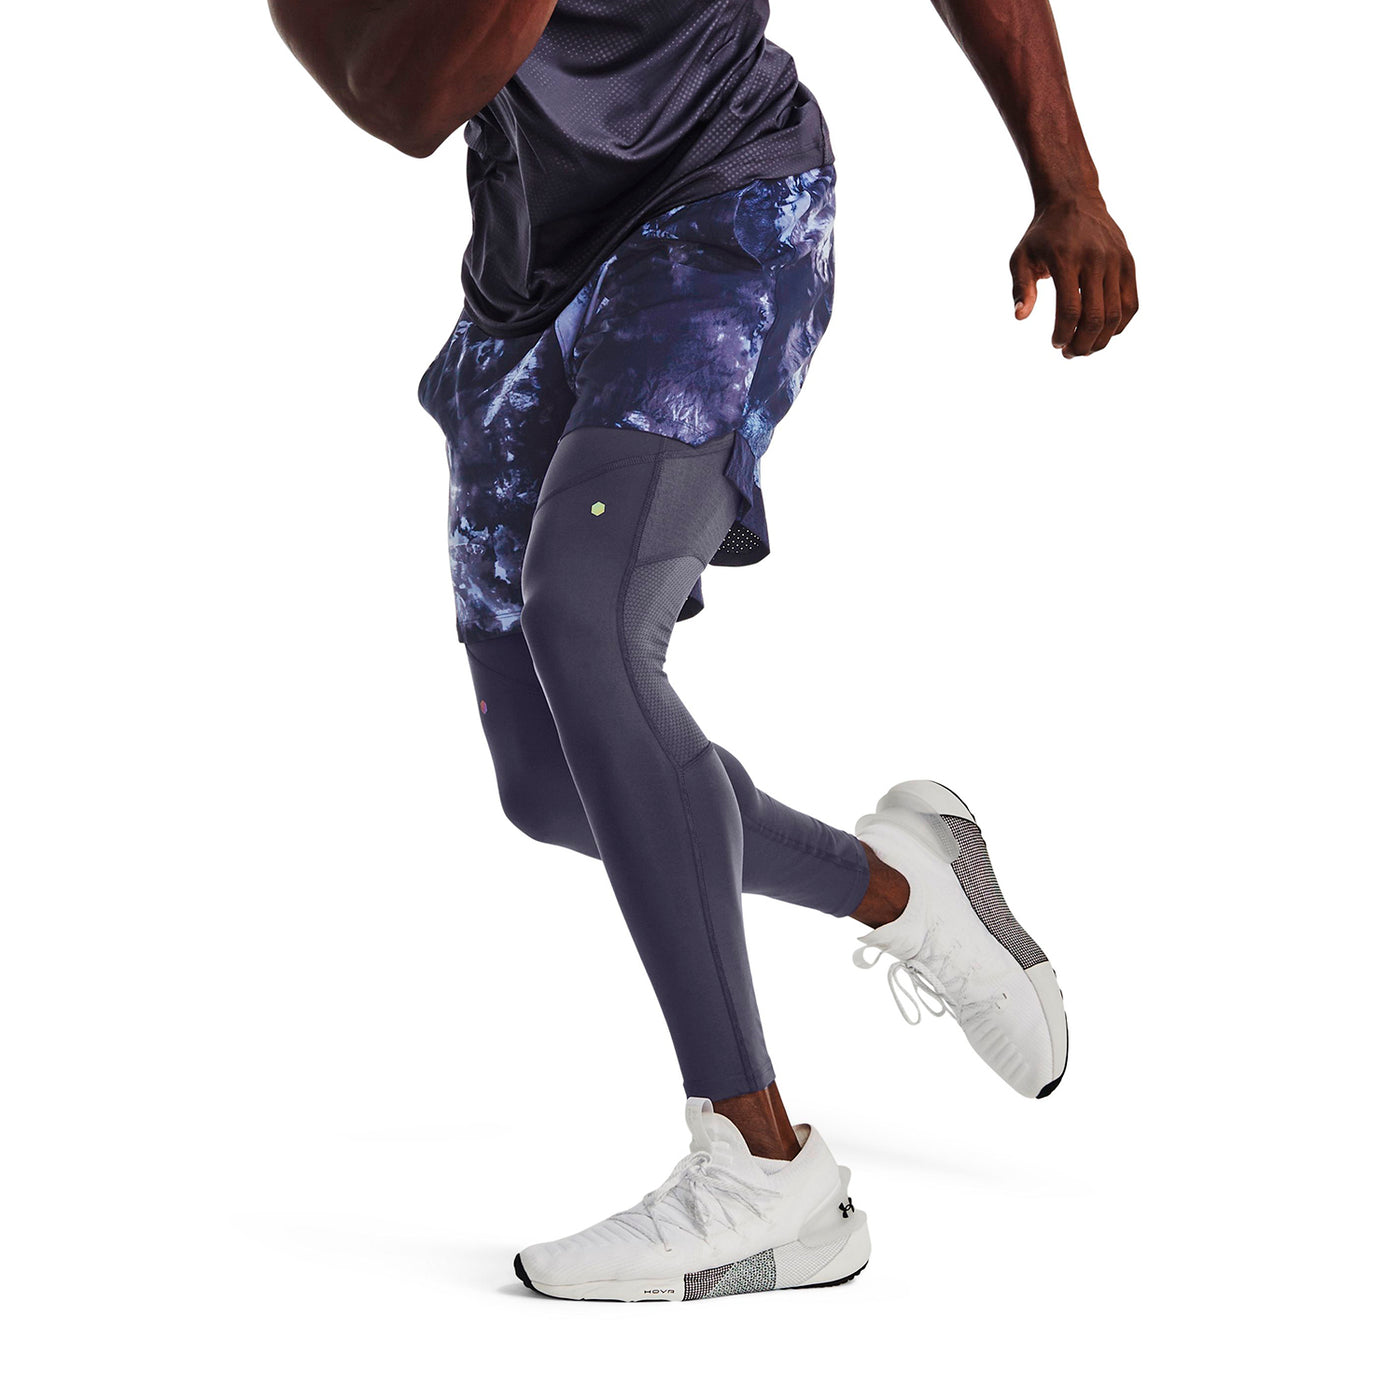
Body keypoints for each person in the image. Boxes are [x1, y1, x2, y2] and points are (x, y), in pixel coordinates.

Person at [268, 0, 1137, 1303]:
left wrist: (1067, 186)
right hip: (522, 287)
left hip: (722, 208)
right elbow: (405, 101)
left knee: (586, 622)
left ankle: (766, 1170)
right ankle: (903, 886)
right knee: (551, 788)